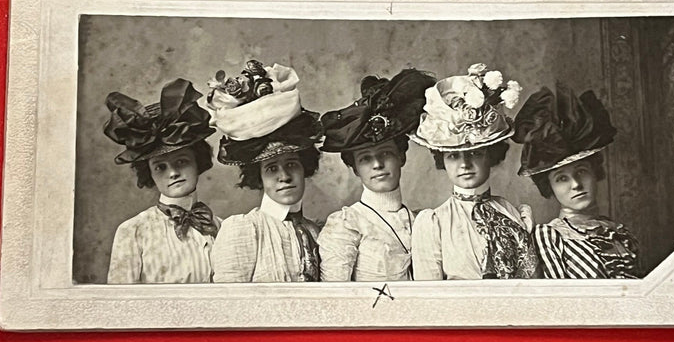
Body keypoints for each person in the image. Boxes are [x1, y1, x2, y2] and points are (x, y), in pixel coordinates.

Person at [410, 64, 539, 280]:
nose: (465, 164)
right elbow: (429, 298)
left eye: (475, 153)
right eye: (453, 156)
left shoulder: (511, 212)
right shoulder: (435, 222)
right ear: (442, 159)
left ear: (491, 155)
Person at [207, 60, 323, 282]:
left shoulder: (317, 232)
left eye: (291, 164)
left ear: (304, 166)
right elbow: (228, 308)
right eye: (271, 168)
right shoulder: (245, 230)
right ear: (257, 176)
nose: (284, 176)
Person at [512, 84, 643, 279]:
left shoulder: (619, 231)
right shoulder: (549, 236)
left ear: (595, 171)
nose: (575, 184)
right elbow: (558, 301)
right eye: (562, 178)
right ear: (550, 187)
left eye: (581, 171)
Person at [317, 69, 435, 281]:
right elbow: (334, 301)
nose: (378, 164)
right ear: (355, 169)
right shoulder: (347, 224)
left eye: (386, 154)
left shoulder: (423, 221)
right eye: (365, 159)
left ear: (401, 157)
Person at [103, 78, 219, 284]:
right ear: (149, 173)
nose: (173, 173)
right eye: (160, 167)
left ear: (197, 162)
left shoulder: (221, 227)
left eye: (182, 161)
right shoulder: (134, 231)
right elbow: (120, 306)